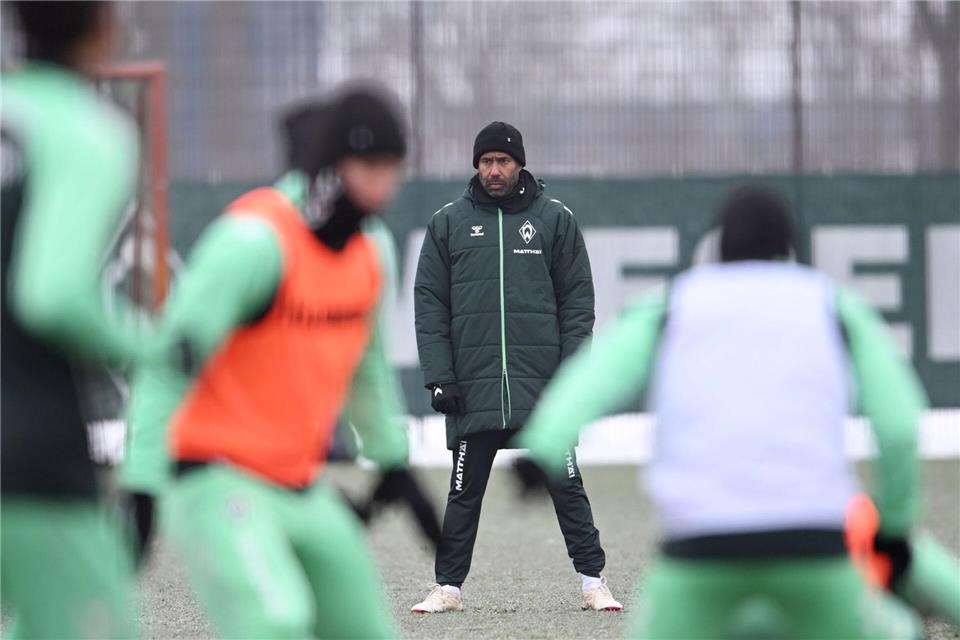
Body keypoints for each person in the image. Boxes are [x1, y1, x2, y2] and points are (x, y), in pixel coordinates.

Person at [516, 185, 927, 639]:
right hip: (815, 545)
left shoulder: (674, 303)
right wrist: (894, 528)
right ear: (789, 247)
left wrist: (544, 449)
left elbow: (594, 378)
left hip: (698, 547)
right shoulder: (832, 303)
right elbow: (898, 426)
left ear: (718, 244)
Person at [120, 84, 427, 639]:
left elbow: (368, 370)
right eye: (370, 166)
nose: (385, 184)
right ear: (334, 165)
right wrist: (141, 486)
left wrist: (393, 464)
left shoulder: (369, 250)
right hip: (214, 480)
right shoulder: (255, 242)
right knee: (274, 623)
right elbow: (169, 363)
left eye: (393, 167)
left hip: (299, 485)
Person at [412, 121, 622, 613]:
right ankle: (448, 587)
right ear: (476, 167)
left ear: (520, 164)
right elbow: (429, 306)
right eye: (485, 162)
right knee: (463, 492)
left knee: (567, 486)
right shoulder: (448, 223)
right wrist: (440, 376)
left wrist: (570, 379)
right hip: (474, 389)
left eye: (503, 161)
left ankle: (594, 581)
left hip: (542, 391)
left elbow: (577, 304)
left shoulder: (554, 220)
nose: (494, 170)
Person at [1, 2, 140, 637]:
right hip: (31, 455)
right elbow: (51, 293)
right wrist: (151, 345)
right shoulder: (89, 132)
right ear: (101, 27)